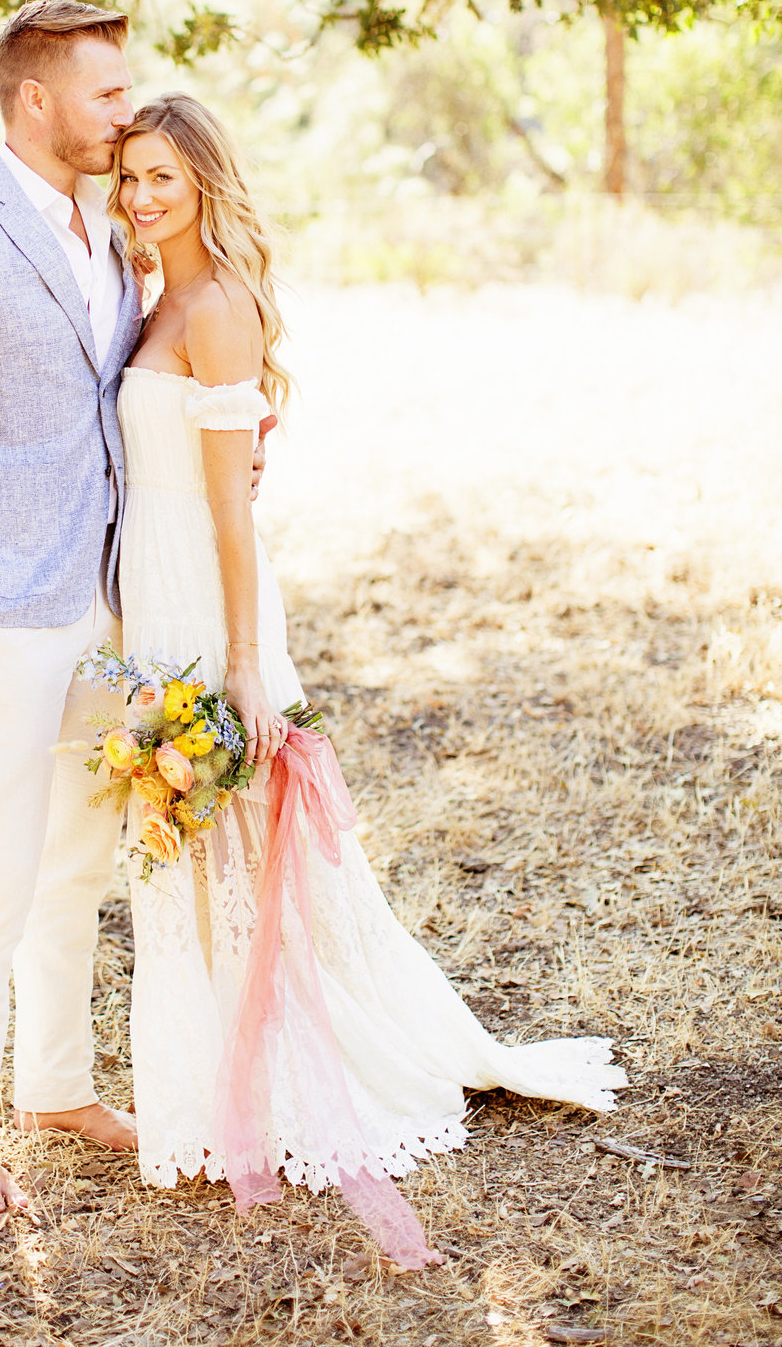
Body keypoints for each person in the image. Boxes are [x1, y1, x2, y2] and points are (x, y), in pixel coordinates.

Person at [109, 91, 626, 1260]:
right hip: (151, 595)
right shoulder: (154, 299)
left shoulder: (220, 308)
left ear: (205, 185)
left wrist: (243, 663)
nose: (142, 198)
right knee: (187, 848)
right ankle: (210, 1083)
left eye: (163, 180)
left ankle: (293, 1083)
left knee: (241, 841)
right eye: (129, 178)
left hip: (207, 598)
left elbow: (234, 517)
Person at [0, 2, 269, 1214]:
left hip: (111, 604)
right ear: (35, 101)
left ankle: (53, 1084)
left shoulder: (105, 233)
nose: (121, 112)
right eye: (104, 94)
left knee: (78, 865)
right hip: (5, 612)